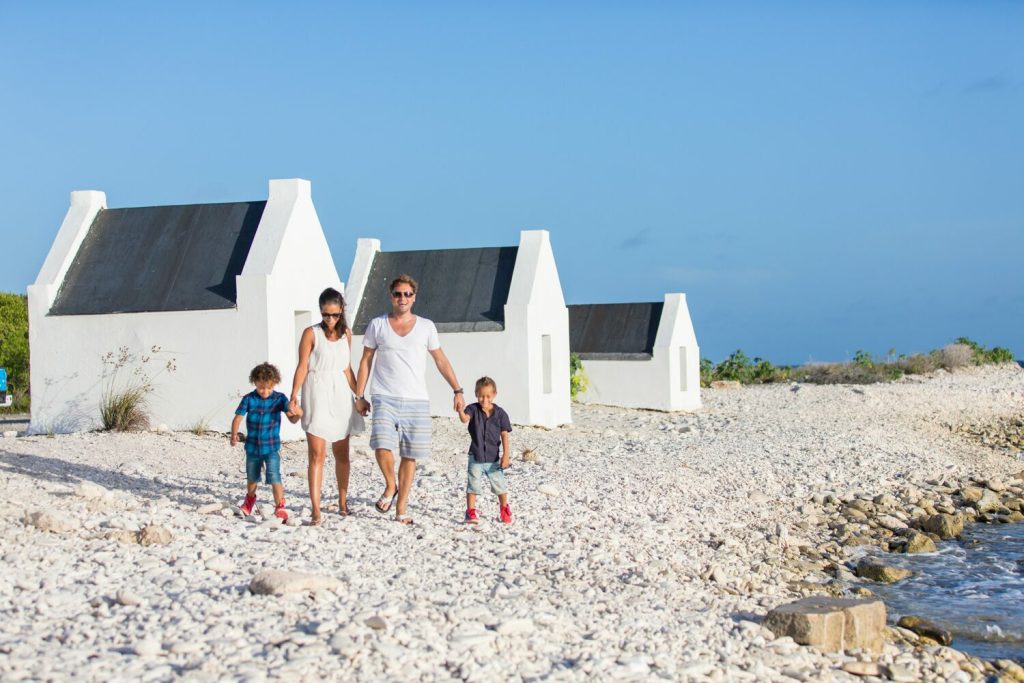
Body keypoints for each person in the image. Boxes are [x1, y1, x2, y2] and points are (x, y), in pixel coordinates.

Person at [355, 274, 464, 524]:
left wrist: (457, 390)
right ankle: (390, 485)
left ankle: (401, 508)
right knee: (381, 444)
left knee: (409, 454)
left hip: (416, 398)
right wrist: (359, 396)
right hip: (383, 395)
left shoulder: (426, 326)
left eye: (407, 294)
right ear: (391, 296)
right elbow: (365, 361)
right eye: (397, 293)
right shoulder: (377, 324)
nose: (402, 298)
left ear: (414, 297)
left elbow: (440, 360)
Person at [289, 287, 360, 526]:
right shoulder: (311, 333)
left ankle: (342, 502)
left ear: (341, 312)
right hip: (316, 392)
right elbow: (302, 366)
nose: (330, 319)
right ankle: (316, 509)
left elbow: (347, 368)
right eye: (326, 315)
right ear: (320, 312)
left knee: (342, 453)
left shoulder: (347, 334)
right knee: (316, 454)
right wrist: (293, 395)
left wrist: (359, 395)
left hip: (340, 393)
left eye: (335, 315)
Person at [232, 362, 301, 523]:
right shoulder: (249, 399)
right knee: (252, 477)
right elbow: (238, 417)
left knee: (274, 476)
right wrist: (234, 434)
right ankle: (249, 500)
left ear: (274, 384)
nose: (265, 391)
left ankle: (280, 506)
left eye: (269, 388)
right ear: (255, 383)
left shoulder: (279, 399)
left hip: (271, 447)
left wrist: (297, 414)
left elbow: (292, 419)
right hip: (252, 447)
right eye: (261, 387)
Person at [457, 376, 513, 524]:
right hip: (475, 455)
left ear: (494, 394)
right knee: (473, 483)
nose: (484, 399)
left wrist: (506, 455)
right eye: (481, 396)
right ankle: (470, 511)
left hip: (493, 457)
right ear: (476, 394)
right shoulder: (472, 409)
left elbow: (504, 434)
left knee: (500, 485)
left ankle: (504, 509)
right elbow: (464, 419)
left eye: (488, 396)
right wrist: (460, 410)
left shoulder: (500, 413)